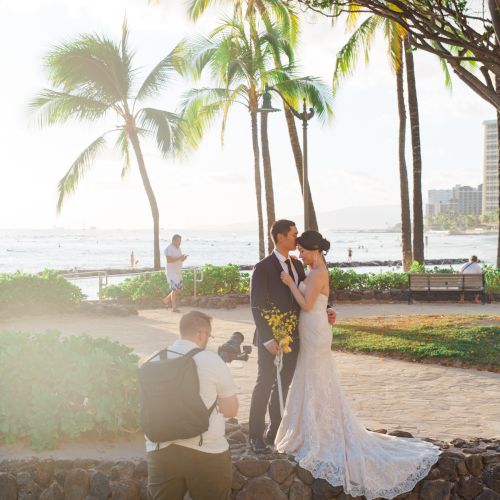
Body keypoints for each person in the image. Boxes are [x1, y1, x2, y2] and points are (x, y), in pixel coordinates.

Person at [276, 230, 440, 500]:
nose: (299, 255)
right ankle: (310, 426)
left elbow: (306, 304)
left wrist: (289, 283)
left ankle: (319, 431)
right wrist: (327, 308)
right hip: (313, 328)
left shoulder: (318, 272)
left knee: (317, 379)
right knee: (312, 379)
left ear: (313, 250)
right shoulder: (314, 269)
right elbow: (320, 302)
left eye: (302, 251)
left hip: (315, 332)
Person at [249, 220, 336, 454]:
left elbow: (314, 292)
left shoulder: (298, 266)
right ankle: (255, 435)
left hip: (297, 336)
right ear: (280, 237)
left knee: (285, 383)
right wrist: (267, 337)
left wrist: (327, 310)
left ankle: (276, 429)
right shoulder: (263, 267)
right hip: (271, 339)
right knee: (265, 382)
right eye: (293, 235)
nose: (296, 239)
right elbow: (256, 306)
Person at [146, 311, 238, 500]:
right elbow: (231, 410)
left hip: (161, 449)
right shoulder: (211, 360)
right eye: (208, 336)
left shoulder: (151, 359)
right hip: (206, 450)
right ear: (201, 334)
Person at [162, 234, 187, 312]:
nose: (180, 243)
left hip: (178, 272)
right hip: (171, 272)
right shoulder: (169, 249)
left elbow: (179, 260)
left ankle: (166, 300)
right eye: (178, 241)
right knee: (175, 289)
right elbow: (169, 260)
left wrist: (183, 259)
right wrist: (180, 258)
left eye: (180, 241)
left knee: (178, 289)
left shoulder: (178, 249)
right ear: (173, 241)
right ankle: (174, 308)